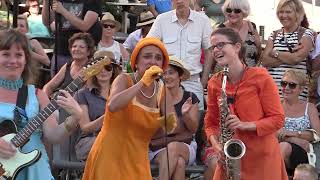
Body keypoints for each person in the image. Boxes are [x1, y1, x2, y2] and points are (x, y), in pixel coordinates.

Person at [82, 37, 177, 180]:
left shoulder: (162, 90)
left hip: (138, 160)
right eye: (147, 56)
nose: (152, 61)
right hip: (109, 156)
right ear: (136, 63)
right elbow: (113, 106)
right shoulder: (123, 79)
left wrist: (169, 122)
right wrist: (142, 83)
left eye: (158, 58)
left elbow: (171, 127)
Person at [204, 27, 288, 180]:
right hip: (231, 159)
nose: (216, 50)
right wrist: (216, 146)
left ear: (237, 47)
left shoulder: (260, 77)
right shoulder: (214, 83)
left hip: (262, 159)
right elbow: (211, 123)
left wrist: (244, 125)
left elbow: (277, 119)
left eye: (221, 45)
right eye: (213, 47)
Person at [0, 29, 82, 180]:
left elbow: (53, 136)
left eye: (19, 55)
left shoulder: (38, 95)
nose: (13, 60)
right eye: (6, 54)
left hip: (35, 171)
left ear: (26, 60)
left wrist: (75, 118)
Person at [147, 0, 213, 110]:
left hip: (193, 81)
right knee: (165, 122)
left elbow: (209, 50)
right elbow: (149, 46)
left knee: (195, 123)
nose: (180, 1)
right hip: (166, 81)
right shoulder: (162, 20)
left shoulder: (202, 20)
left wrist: (203, 81)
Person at [149, 56, 199, 180]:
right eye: (163, 74)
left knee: (174, 147)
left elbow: (193, 129)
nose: (166, 77)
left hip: (185, 145)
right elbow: (152, 130)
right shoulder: (154, 98)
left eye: (171, 73)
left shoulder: (190, 97)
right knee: (179, 163)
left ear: (180, 76)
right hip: (158, 147)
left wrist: (186, 115)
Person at [261, 0, 315, 100]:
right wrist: (290, 55)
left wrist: (274, 53)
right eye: (281, 12)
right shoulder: (274, 34)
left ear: (297, 13)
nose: (284, 15)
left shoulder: (307, 33)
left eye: (288, 12)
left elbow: (297, 58)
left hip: (295, 93)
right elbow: (265, 60)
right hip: (272, 92)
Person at [74, 50, 121, 161]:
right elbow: (85, 128)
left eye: (108, 67)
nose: (103, 71)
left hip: (117, 140)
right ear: (93, 70)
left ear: (113, 70)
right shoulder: (83, 94)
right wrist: (107, 117)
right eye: (99, 67)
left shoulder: (121, 93)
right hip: (89, 140)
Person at [41, 0, 102, 76]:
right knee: (56, 84)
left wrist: (63, 10)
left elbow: (85, 25)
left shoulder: (92, 2)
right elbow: (46, 21)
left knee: (78, 85)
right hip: (60, 51)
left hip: (81, 54)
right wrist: (46, 2)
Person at [278, 69, 320, 175]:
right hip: (280, 148)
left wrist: (294, 133)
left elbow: (317, 135)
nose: (286, 88)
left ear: (301, 89)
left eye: (292, 85)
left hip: (304, 152)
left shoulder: (309, 108)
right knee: (284, 146)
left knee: (284, 147)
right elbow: (271, 131)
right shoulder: (276, 106)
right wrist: (294, 140)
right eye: (283, 84)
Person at [43, 32, 95, 97]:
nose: (76, 49)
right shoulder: (68, 66)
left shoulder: (92, 68)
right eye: (74, 46)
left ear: (88, 51)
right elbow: (49, 86)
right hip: (57, 101)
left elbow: (87, 96)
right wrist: (45, 100)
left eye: (81, 47)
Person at [216, 0, 261, 67]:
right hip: (226, 73)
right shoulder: (220, 30)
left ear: (244, 11)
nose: (232, 13)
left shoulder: (251, 27)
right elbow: (212, 54)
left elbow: (259, 49)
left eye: (237, 11)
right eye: (229, 10)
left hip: (249, 73)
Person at [16, 15, 50, 87]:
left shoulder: (33, 42)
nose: (18, 28)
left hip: (30, 77)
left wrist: (29, 53)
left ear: (27, 29)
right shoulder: (8, 44)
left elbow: (47, 61)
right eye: (16, 25)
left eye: (21, 26)